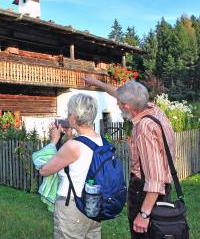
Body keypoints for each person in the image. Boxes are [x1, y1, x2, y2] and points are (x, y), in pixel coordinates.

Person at [83, 77, 176, 239]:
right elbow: (120, 94)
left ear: (127, 106)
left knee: (145, 234)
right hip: (162, 191)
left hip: (146, 192)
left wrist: (144, 214)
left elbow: (155, 178)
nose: (117, 106)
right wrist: (98, 84)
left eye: (119, 104)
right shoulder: (155, 111)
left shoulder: (144, 129)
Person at [40, 93, 102, 239]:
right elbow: (81, 158)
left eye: (68, 113)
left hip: (72, 206)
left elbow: (44, 170)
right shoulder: (100, 140)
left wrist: (53, 141)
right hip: (93, 204)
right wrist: (69, 136)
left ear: (73, 118)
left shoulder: (73, 146)